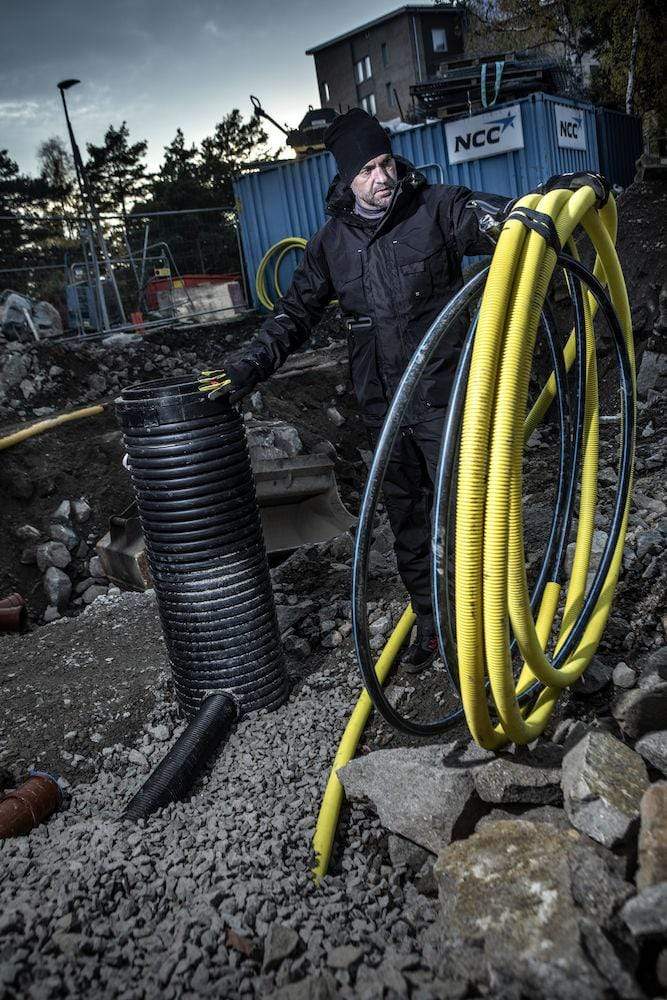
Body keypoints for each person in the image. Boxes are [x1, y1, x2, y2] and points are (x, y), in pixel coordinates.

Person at [200, 108, 513, 672]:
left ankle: (495, 625)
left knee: (471, 513)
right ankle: (433, 624)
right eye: (367, 170)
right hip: (383, 408)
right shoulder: (332, 244)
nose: (382, 177)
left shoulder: (436, 208)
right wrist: (246, 368)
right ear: (347, 178)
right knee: (408, 517)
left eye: (385, 163)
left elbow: (501, 221)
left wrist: (543, 202)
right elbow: (293, 316)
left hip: (446, 400)